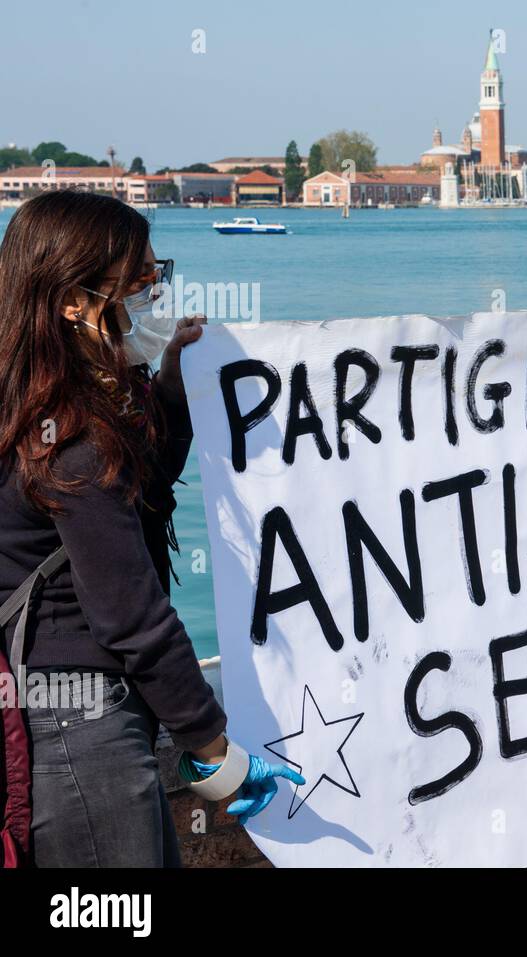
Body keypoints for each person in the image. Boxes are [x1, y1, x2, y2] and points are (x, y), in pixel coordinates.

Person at [0, 191, 302, 867]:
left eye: (155, 275)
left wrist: (169, 389)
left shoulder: (41, 404)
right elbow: (131, 613)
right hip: (84, 738)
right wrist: (215, 751)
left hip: (61, 714)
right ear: (74, 303)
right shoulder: (70, 441)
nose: (154, 293)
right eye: (136, 283)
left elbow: (136, 499)